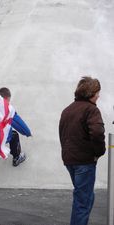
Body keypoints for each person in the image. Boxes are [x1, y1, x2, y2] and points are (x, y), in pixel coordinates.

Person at [59, 76, 105, 225]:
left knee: (85, 197)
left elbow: (62, 134)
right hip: (84, 161)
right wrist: (98, 153)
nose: (99, 95)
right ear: (91, 93)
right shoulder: (91, 110)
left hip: (70, 160)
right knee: (83, 201)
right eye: (97, 92)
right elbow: (97, 133)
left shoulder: (67, 110)